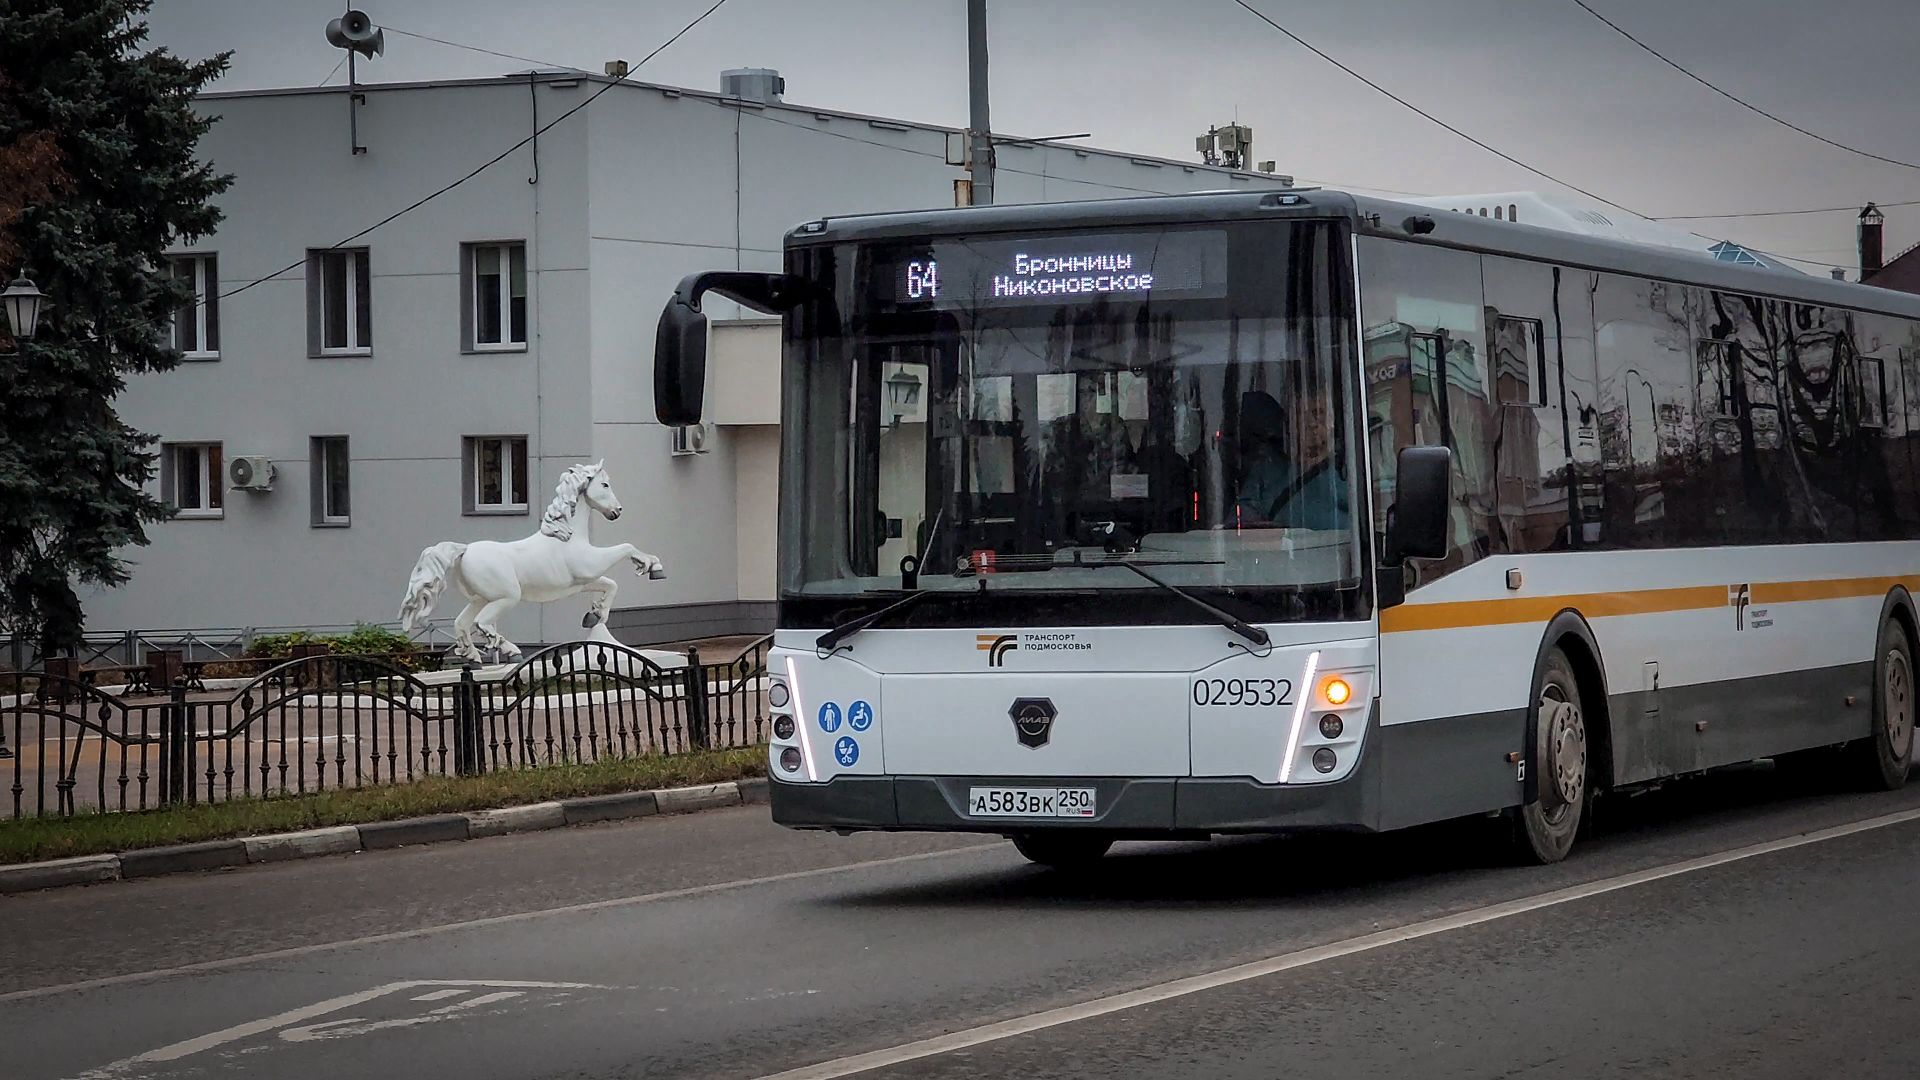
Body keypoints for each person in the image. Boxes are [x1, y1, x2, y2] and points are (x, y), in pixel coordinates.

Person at [1234, 389, 1350, 531]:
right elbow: (1241, 524)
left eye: (1318, 413)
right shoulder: (1267, 471)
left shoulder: (1350, 469)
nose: (1312, 423)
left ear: (1332, 420)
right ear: (1291, 424)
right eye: (1303, 416)